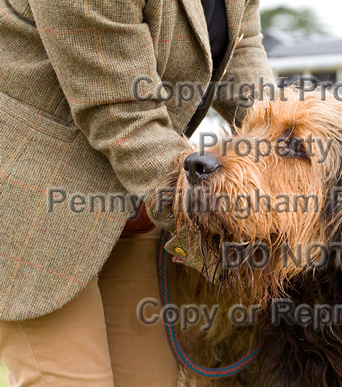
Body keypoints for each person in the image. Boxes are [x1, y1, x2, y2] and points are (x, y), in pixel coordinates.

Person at [0, 0, 274, 386]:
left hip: (134, 205)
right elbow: (122, 114)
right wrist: (227, 228)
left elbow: (242, 52)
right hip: (36, 207)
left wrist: (296, 153)